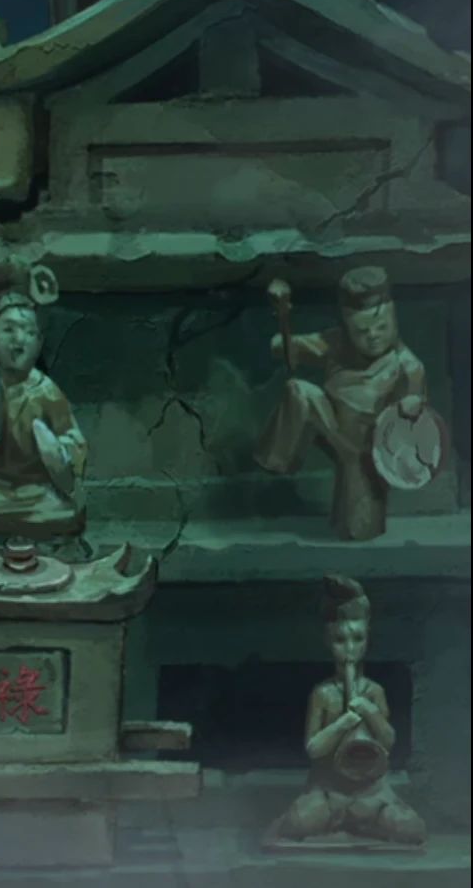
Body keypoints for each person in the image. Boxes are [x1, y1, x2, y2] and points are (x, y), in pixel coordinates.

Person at [254, 266, 426, 540]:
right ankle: (277, 461)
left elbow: (414, 420)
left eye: (382, 327)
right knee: (298, 391)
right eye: (362, 330)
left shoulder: (408, 367)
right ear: (348, 328)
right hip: (332, 426)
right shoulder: (336, 343)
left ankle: (359, 498)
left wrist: (411, 406)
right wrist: (283, 314)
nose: (373, 336)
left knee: (358, 530)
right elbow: (283, 352)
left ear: (394, 319)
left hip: (367, 450)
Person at [274, 575, 425, 846]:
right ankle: (354, 823)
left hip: (371, 794)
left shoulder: (374, 691)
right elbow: (313, 748)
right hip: (328, 793)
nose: (350, 649)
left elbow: (388, 741)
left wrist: (368, 710)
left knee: (411, 829)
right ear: (327, 641)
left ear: (367, 639)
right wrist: (344, 723)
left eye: (357, 639)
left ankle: (358, 821)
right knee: (296, 822)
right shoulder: (323, 693)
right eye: (340, 640)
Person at [0, 257, 87, 540]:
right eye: (8, 329)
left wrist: (60, 451)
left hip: (40, 489)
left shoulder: (46, 392)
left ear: (39, 342)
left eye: (29, 332)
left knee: (66, 510)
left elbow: (73, 437)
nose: (19, 341)